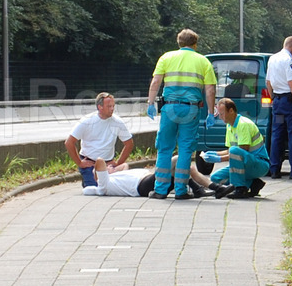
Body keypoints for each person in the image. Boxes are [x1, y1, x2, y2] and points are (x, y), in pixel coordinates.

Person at [146, 29, 217, 199]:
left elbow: (156, 81)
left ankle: (160, 190)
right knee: (185, 150)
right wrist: (210, 112)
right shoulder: (203, 61)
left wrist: (150, 103)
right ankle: (180, 190)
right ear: (195, 44)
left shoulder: (166, 57)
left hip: (169, 108)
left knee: (164, 149)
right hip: (191, 109)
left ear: (179, 42)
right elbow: (210, 89)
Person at [201, 98, 269, 199]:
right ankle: (253, 183)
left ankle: (240, 188)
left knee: (234, 151)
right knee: (215, 178)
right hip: (248, 163)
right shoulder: (230, 126)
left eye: (222, 113)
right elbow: (230, 151)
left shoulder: (243, 124)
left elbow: (241, 151)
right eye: (219, 114)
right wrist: (214, 154)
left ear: (231, 111)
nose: (220, 117)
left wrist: (219, 159)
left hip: (259, 164)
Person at [65, 92, 134, 187]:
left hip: (108, 163)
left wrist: (118, 162)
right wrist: (79, 163)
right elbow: (69, 143)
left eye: (113, 106)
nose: (112, 109)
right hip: (89, 162)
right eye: (109, 106)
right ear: (99, 107)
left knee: (115, 186)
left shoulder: (117, 122)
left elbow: (129, 144)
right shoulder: (87, 121)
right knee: (94, 188)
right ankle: (88, 177)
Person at [265, 36, 292, 179]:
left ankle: (274, 169)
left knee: (277, 136)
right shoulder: (290, 60)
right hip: (290, 101)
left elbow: (268, 82)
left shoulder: (272, 58)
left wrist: (273, 98)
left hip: (277, 100)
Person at [83, 158, 214, 198]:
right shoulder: (103, 185)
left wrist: (113, 170)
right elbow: (99, 161)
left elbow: (124, 165)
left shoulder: (116, 176)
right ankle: (199, 189)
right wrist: (104, 170)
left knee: (187, 167)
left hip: (149, 180)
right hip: (144, 185)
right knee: (179, 158)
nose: (109, 167)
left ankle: (212, 187)